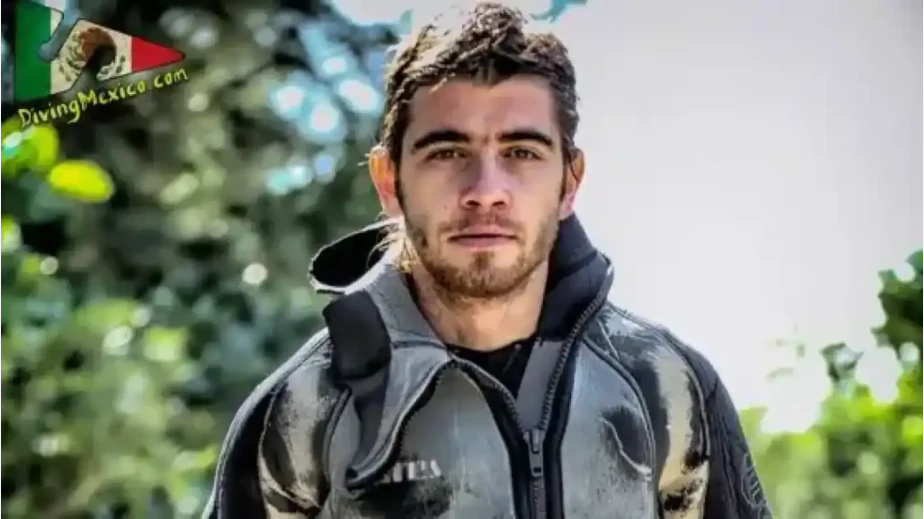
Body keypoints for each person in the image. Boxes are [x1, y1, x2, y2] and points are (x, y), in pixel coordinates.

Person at [203, 2, 773, 518]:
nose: (485, 190)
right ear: (388, 180)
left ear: (570, 182)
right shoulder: (303, 411)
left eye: (521, 152)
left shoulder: (666, 388)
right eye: (447, 152)